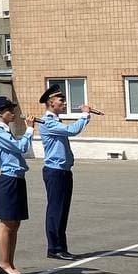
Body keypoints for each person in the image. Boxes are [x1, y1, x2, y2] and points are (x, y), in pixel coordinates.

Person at [38, 83, 92, 261]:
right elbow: (72, 130)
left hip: (63, 170)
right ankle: (54, 248)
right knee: (56, 210)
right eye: (61, 100)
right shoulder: (47, 122)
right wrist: (84, 114)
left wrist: (85, 116)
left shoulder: (55, 121)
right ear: (51, 102)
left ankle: (61, 247)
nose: (65, 103)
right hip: (55, 171)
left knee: (63, 210)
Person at [0, 96, 33, 274]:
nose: (13, 113)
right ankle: (4, 264)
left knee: (15, 223)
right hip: (9, 179)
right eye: (9, 110)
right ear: (0, 113)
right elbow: (21, 147)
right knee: (7, 223)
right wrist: (30, 129)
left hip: (17, 178)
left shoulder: (5, 130)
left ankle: (10, 262)